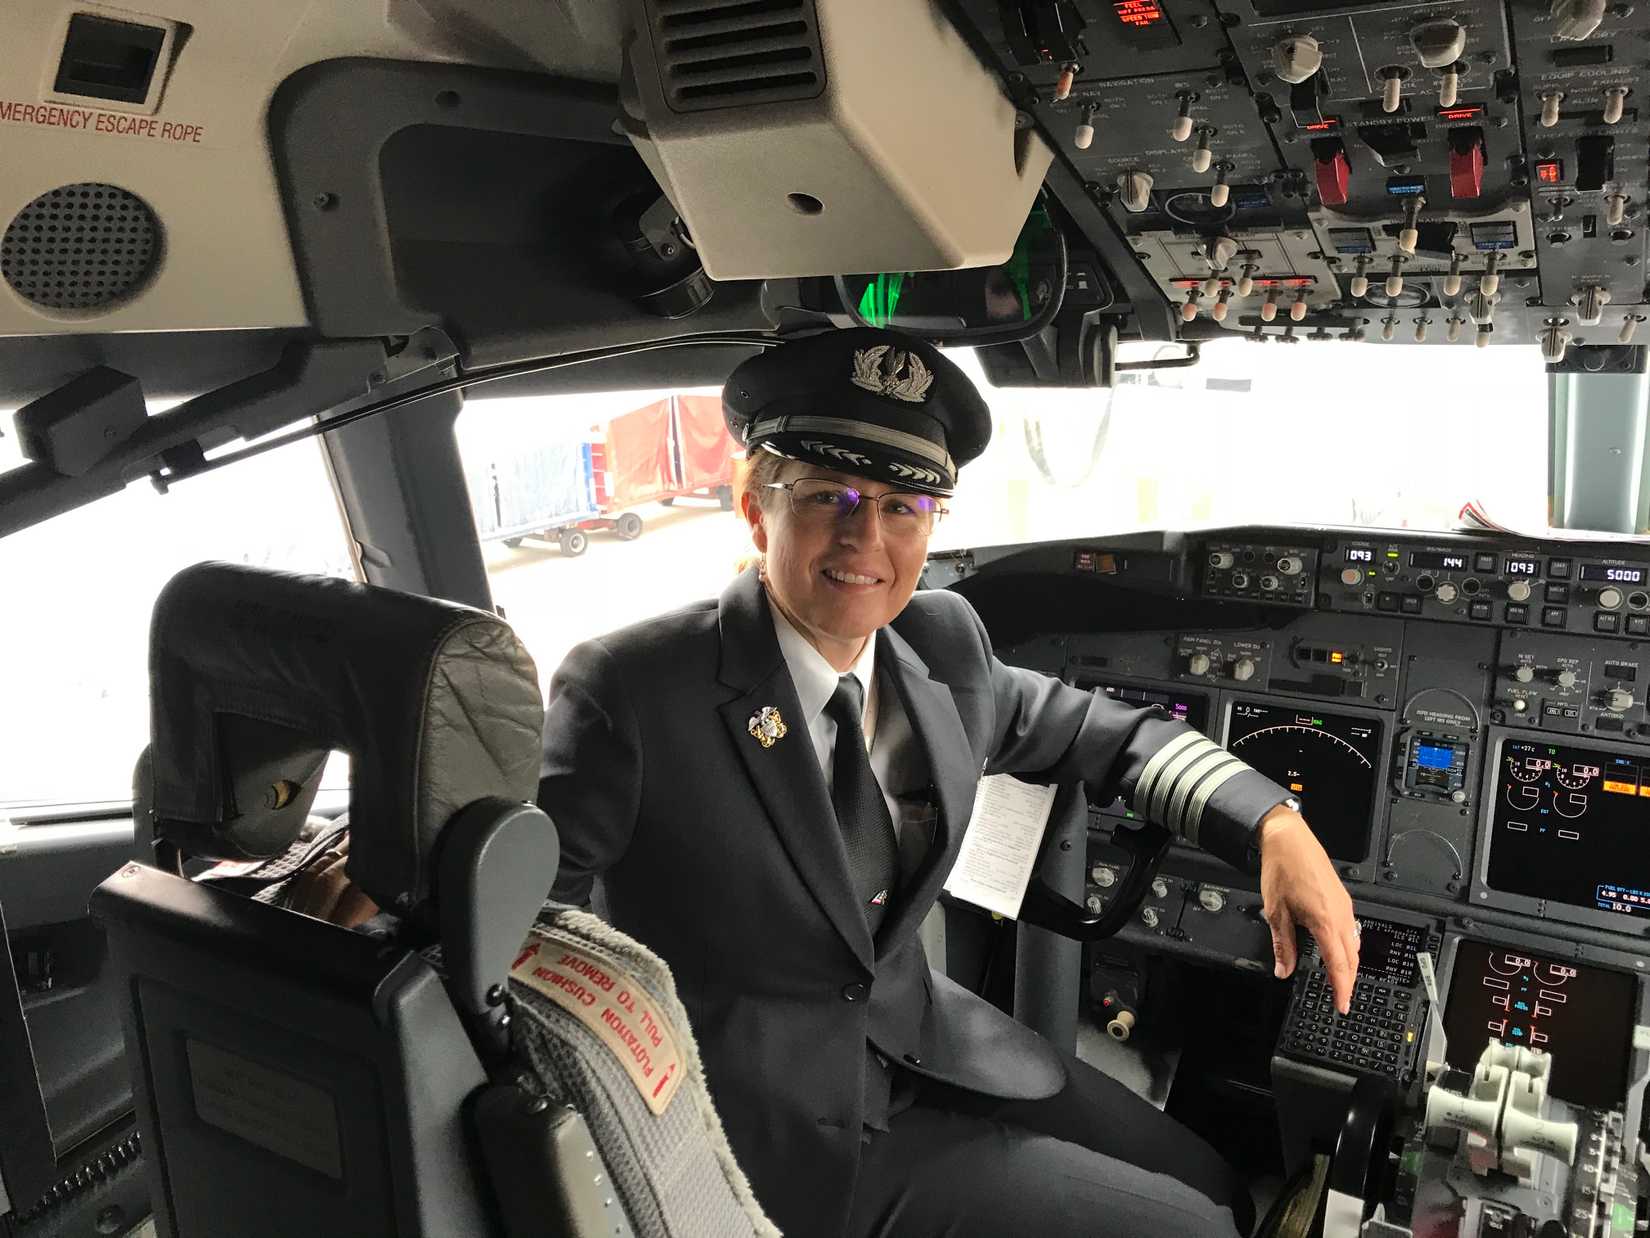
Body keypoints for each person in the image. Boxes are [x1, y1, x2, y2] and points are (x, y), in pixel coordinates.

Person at [538, 327, 1360, 1238]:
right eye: (828, 496)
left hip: (923, 1041)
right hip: (766, 1138)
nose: (866, 540)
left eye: (905, 506)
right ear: (752, 504)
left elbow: (1104, 735)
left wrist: (1272, 826)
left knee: (1212, 1180)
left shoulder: (940, 646)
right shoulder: (634, 689)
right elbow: (534, 932)